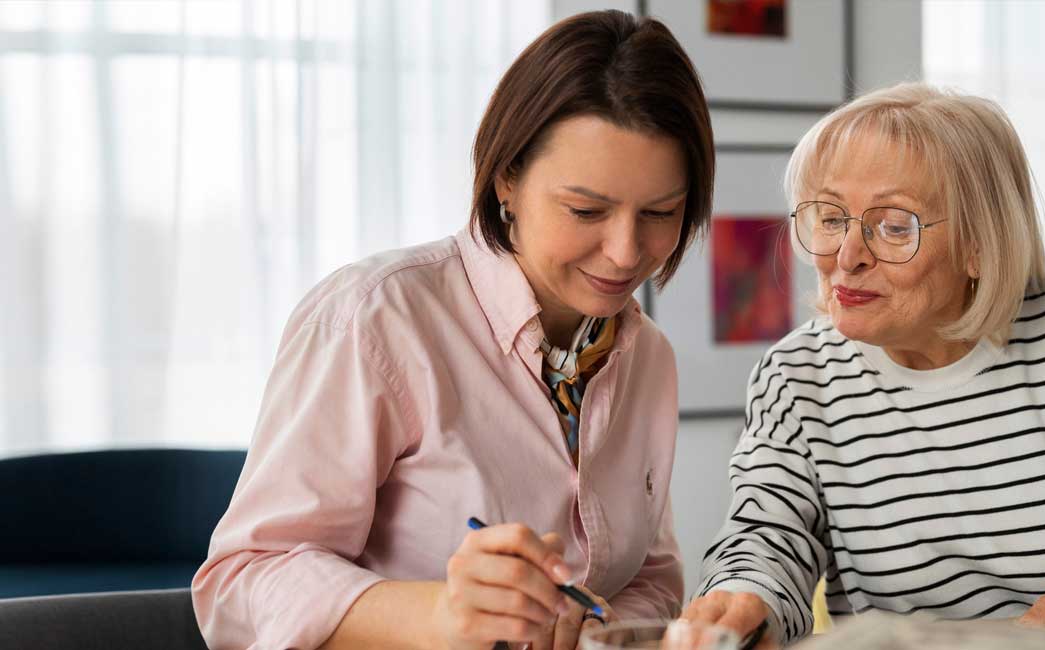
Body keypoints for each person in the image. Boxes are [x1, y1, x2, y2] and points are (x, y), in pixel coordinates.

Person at [191, 10, 714, 650]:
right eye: (586, 210)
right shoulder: (375, 320)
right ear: (507, 180)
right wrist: (443, 616)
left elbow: (653, 577)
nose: (626, 252)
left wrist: (602, 621)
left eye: (661, 212)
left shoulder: (647, 357)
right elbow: (241, 584)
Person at [683, 82, 1045, 646]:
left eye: (894, 226)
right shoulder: (798, 377)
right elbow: (765, 538)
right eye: (830, 219)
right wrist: (745, 602)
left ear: (981, 243)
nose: (847, 256)